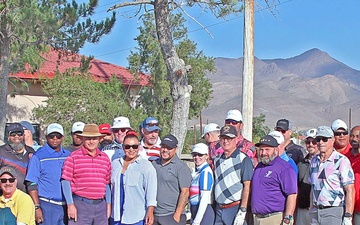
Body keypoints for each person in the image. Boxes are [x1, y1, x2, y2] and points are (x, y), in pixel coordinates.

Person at [61, 124, 111, 225]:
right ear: (83, 139)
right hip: (81, 205)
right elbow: (65, 181)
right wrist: (70, 204)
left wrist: (108, 204)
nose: (91, 141)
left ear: (99, 140)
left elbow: (107, 183)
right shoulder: (73, 157)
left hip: (101, 206)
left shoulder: (105, 158)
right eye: (88, 138)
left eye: (94, 138)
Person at [25, 123, 71, 225]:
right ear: (46, 137)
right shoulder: (38, 156)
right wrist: (37, 208)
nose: (55, 138)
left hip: (67, 206)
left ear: (62, 137)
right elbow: (31, 183)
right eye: (51, 136)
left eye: (58, 136)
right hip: (47, 206)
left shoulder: (68, 155)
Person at [309, 126, 355, 225]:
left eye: (325, 139)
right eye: (318, 139)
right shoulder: (313, 161)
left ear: (332, 140)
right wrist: (311, 208)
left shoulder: (341, 161)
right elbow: (313, 187)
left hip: (333, 211)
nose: (321, 142)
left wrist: (348, 215)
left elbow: (350, 189)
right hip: (315, 212)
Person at [110, 130, 157, 225]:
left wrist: (150, 211)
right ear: (123, 147)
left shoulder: (146, 166)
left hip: (135, 216)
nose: (131, 149)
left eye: (134, 146)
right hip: (116, 215)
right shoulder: (115, 164)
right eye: (127, 147)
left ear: (139, 147)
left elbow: (151, 192)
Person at [251, 135, 297, 225]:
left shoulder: (284, 168)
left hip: (274, 218)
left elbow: (292, 194)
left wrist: (288, 219)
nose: (263, 153)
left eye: (267, 149)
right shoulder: (259, 166)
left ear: (276, 150)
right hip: (257, 218)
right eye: (261, 149)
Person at [214, 125, 254, 225]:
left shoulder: (243, 159)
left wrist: (243, 210)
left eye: (229, 138)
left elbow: (247, 185)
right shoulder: (217, 160)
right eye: (223, 138)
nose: (226, 141)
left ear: (236, 139)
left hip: (234, 208)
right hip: (219, 209)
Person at [152, 134, 192, 225]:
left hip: (171, 216)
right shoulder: (154, 164)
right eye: (163, 147)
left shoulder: (181, 167)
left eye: (169, 148)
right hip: (155, 215)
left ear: (175, 149)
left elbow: (185, 192)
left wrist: (177, 215)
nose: (165, 150)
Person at [0, 123, 35, 192]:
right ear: (8, 136)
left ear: (23, 135)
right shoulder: (1, 152)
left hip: (27, 196)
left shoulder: (31, 151)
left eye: (19, 133)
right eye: (13, 134)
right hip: (6, 196)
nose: (16, 136)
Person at [296, 128, 319, 225]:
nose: (311, 145)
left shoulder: (324, 163)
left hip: (316, 210)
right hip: (301, 209)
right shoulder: (301, 163)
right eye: (308, 142)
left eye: (314, 142)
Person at [189, 143, 215, 225]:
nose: (197, 157)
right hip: (195, 210)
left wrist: (196, 222)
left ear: (206, 156)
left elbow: (204, 199)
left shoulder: (205, 173)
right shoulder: (198, 172)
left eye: (200, 155)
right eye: (194, 155)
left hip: (204, 212)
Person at [345, 125, 360, 224]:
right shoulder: (344, 158)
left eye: (358, 136)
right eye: (352, 136)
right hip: (346, 206)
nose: (354, 139)